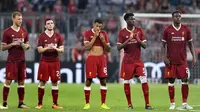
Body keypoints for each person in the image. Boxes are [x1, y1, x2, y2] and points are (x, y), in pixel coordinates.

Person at [161, 10, 196, 110]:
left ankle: (184, 103)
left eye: (179, 16)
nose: (178, 18)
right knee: (171, 81)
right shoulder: (167, 30)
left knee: (185, 80)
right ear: (172, 18)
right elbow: (162, 45)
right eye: (176, 16)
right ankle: (172, 103)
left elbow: (191, 44)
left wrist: (194, 57)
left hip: (182, 61)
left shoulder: (186, 29)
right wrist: (164, 57)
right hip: (170, 61)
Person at [117, 13, 153, 110]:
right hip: (127, 61)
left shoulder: (139, 31)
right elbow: (118, 47)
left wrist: (137, 38)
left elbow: (144, 46)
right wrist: (129, 39)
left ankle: (148, 104)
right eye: (131, 19)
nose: (133, 20)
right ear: (126, 21)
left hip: (138, 61)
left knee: (144, 79)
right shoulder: (122, 33)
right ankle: (129, 105)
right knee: (127, 81)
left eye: (134, 19)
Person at [0, 11, 30, 109]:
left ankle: (21, 103)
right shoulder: (7, 32)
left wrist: (22, 44)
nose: (20, 21)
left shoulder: (24, 32)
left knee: (21, 81)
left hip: (22, 60)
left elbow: (27, 47)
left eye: (21, 19)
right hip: (12, 60)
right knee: (8, 81)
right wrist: (12, 44)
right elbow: (3, 48)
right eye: (18, 19)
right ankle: (4, 103)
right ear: (13, 19)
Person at [35, 18, 64, 109]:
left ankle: (55, 104)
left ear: (53, 25)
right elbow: (39, 50)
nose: (50, 25)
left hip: (55, 61)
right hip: (45, 61)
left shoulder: (58, 36)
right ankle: (40, 104)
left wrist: (56, 49)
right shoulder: (41, 36)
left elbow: (62, 50)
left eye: (51, 23)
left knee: (55, 82)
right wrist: (47, 48)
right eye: (48, 23)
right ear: (45, 26)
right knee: (42, 81)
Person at [83, 19, 111, 110]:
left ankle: (103, 103)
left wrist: (103, 40)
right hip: (91, 58)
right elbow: (86, 47)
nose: (98, 28)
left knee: (103, 80)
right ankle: (87, 103)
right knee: (89, 80)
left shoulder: (104, 34)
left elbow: (108, 49)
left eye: (100, 26)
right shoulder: (87, 33)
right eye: (97, 26)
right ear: (93, 25)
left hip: (101, 59)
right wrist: (95, 37)